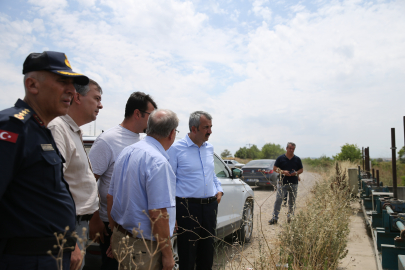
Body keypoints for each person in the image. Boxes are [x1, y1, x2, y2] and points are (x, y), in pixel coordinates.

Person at [0, 51, 89, 270]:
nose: (71, 90)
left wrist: (70, 243)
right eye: (62, 81)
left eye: (73, 84)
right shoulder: (11, 127)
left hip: (51, 256)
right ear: (32, 85)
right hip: (26, 259)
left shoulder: (40, 128)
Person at [88, 91, 157, 269]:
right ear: (137, 113)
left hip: (134, 226)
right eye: (152, 115)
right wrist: (94, 217)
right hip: (111, 224)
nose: (155, 120)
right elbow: (89, 181)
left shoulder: (142, 141)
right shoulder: (108, 140)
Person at [107, 109, 178, 270]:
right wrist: (168, 256)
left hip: (122, 237)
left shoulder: (126, 151)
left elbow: (110, 196)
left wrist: (116, 234)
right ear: (172, 134)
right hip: (145, 249)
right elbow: (157, 214)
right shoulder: (158, 162)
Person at [48, 79, 104, 269]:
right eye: (96, 98)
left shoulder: (73, 130)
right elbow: (52, 187)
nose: (100, 105)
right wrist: (69, 241)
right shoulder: (58, 128)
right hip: (68, 227)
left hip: (78, 225)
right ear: (78, 97)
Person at [168, 111, 224, 270]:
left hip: (210, 208)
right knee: (187, 256)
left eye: (211, 127)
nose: (210, 131)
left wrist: (218, 189)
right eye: (206, 127)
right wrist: (172, 214)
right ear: (194, 129)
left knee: (207, 254)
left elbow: (211, 173)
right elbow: (169, 181)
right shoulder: (176, 149)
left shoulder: (209, 148)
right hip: (187, 208)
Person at [269, 142, 303, 225]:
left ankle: (290, 218)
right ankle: (274, 218)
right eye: (290, 148)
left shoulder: (297, 159)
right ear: (286, 148)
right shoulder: (280, 158)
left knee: (292, 201)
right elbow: (275, 168)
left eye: (293, 149)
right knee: (278, 200)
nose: (291, 150)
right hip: (282, 182)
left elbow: (301, 170)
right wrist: (283, 172)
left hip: (294, 183)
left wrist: (295, 173)